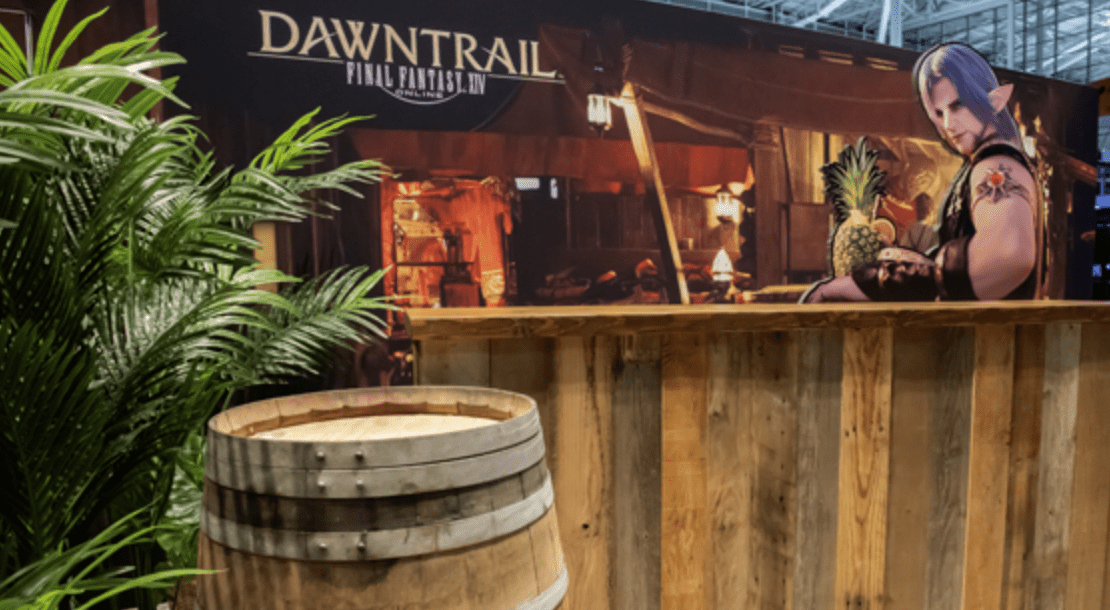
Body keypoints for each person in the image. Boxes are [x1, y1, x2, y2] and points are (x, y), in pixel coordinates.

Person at [803, 43, 1037, 302]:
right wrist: (919, 265)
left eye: (958, 105)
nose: (948, 124)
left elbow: (1009, 255)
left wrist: (880, 282)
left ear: (995, 100)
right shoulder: (990, 161)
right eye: (939, 113)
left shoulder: (996, 165)